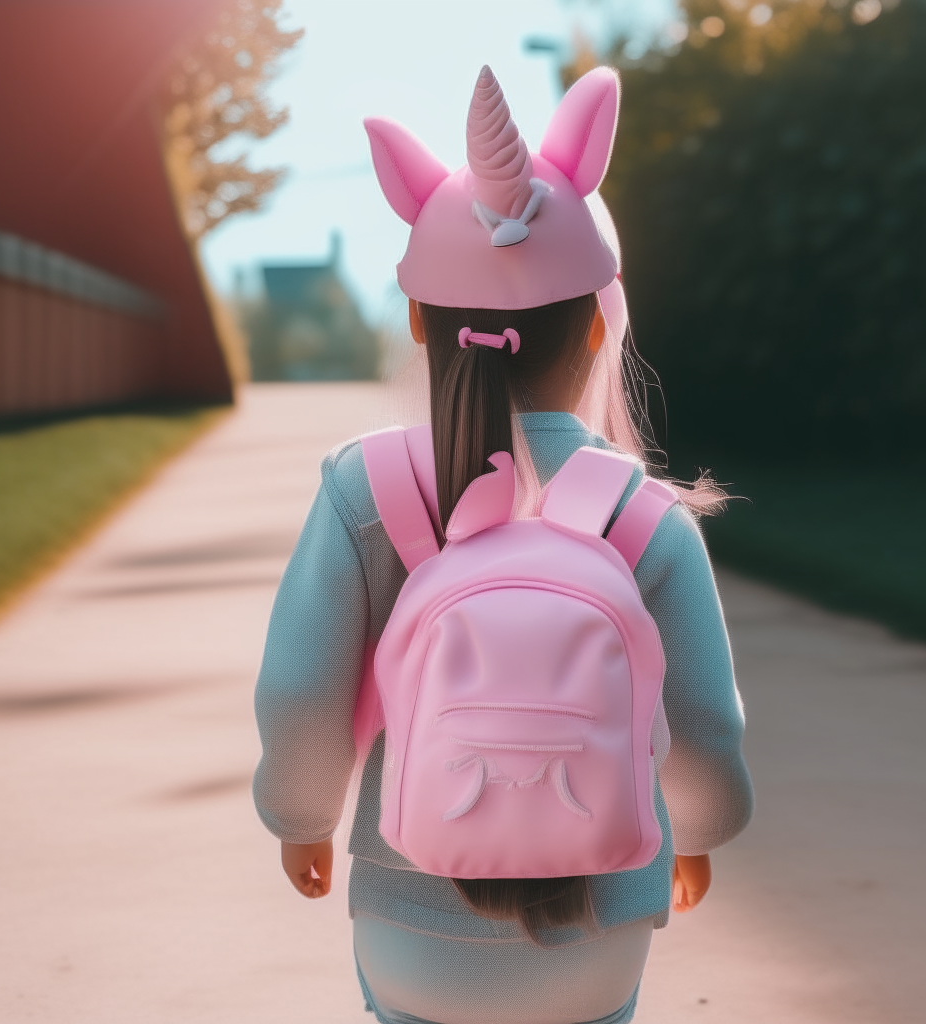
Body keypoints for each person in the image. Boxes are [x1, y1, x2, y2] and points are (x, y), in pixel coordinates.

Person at [254, 65, 754, 1024]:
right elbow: (701, 722)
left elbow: (300, 686)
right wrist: (699, 832)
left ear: (417, 319)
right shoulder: (647, 516)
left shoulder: (368, 489)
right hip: (600, 931)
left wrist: (301, 817)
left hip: (412, 920)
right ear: (602, 321)